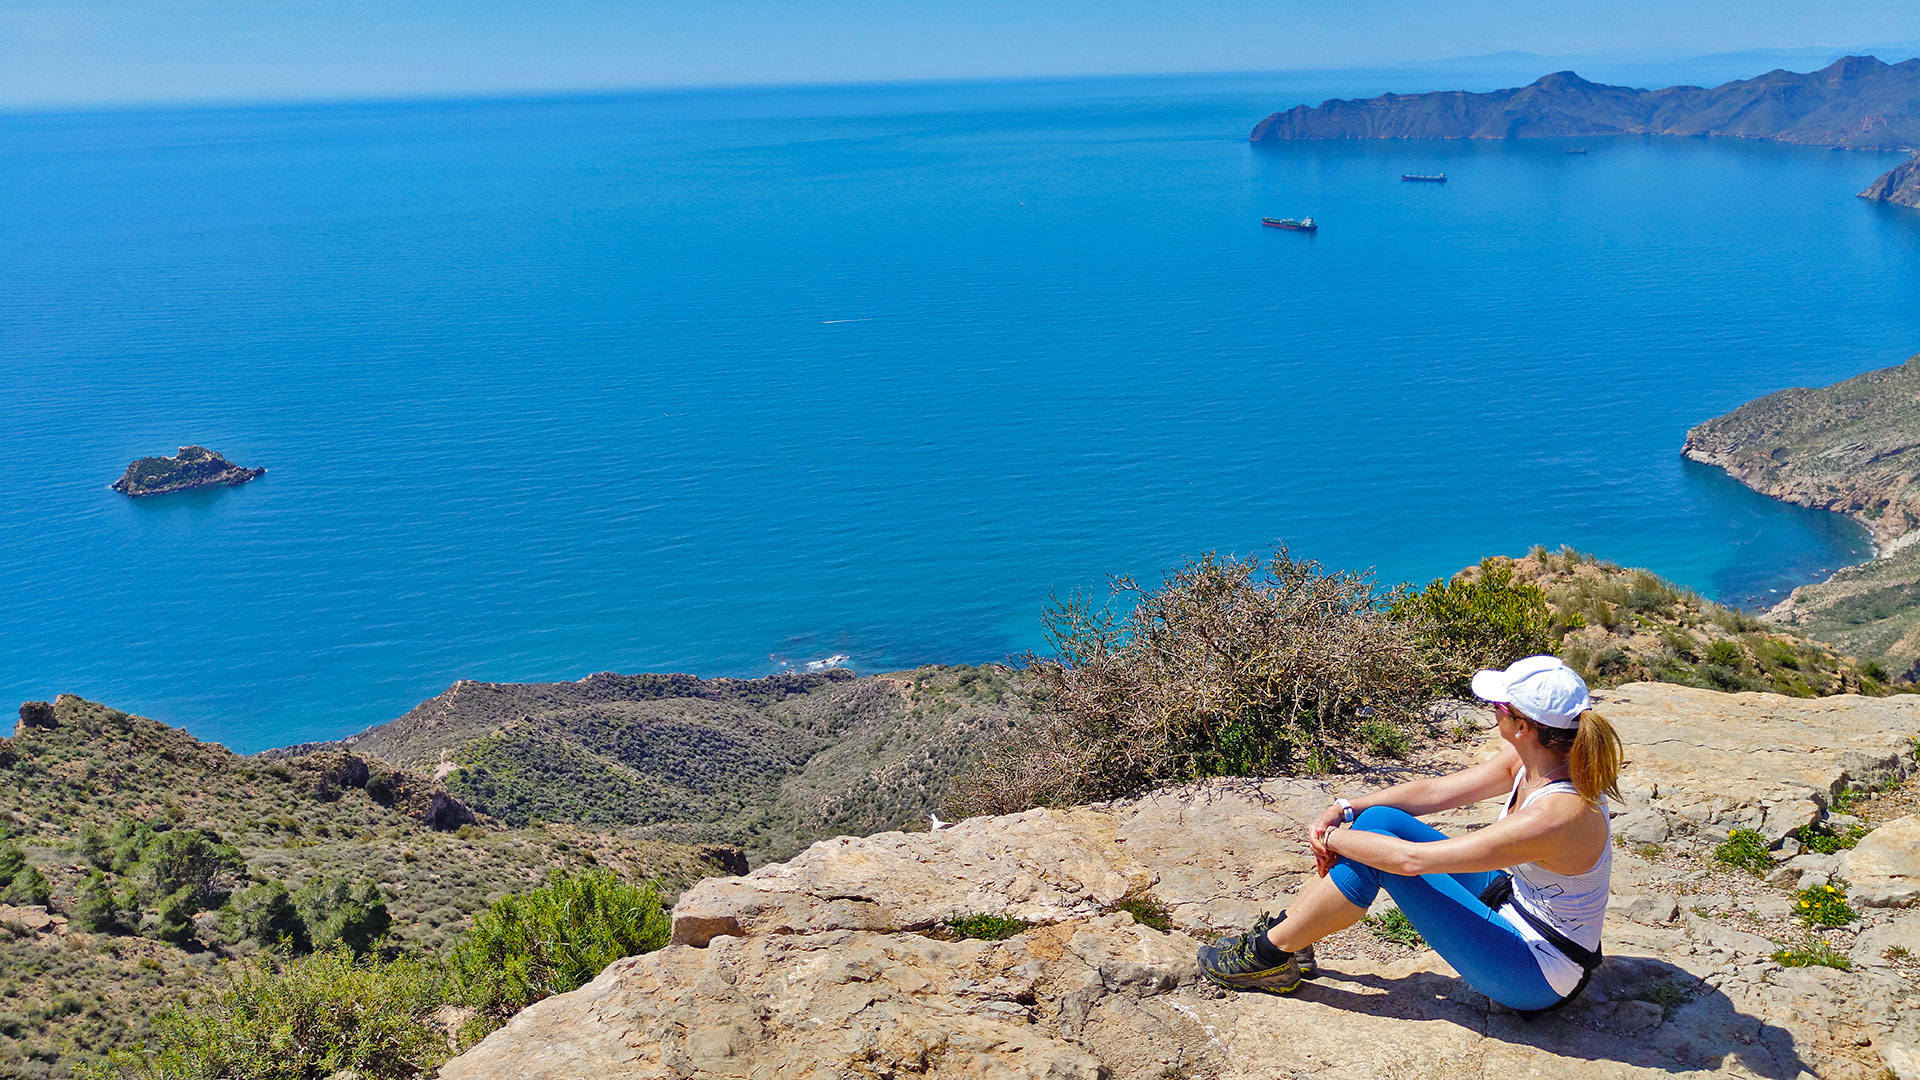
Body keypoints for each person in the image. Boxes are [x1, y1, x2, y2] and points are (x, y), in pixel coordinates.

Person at [1196, 654, 1624, 1014]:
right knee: (1379, 822)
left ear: (1524, 726)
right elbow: (1436, 791)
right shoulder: (1536, 760)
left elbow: (1410, 862)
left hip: (1536, 972)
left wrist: (1331, 840)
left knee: (1378, 857)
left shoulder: (1557, 813)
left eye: (1499, 705)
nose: (1493, 710)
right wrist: (1346, 809)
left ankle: (1270, 955)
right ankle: (1291, 936)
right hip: (1516, 906)